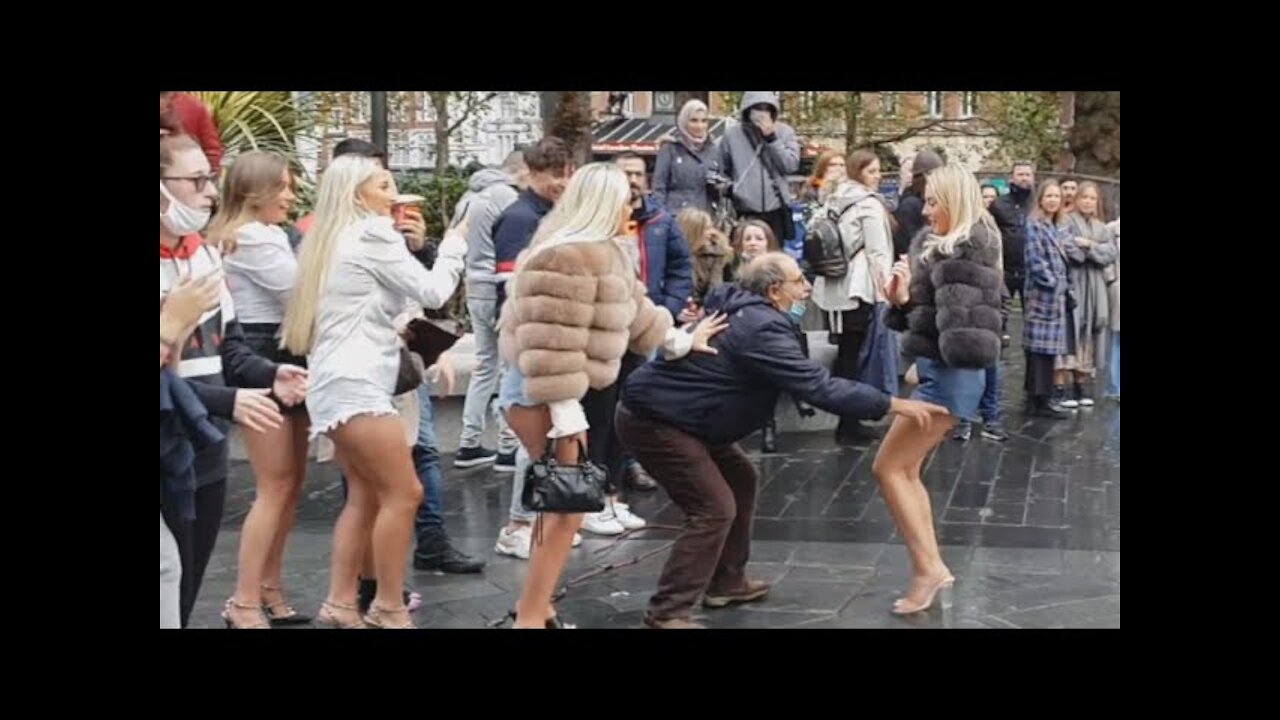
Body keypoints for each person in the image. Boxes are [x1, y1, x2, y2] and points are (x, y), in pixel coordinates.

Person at [619, 253, 946, 628]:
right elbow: (817, 386)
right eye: (798, 281)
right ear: (775, 291)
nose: (806, 287)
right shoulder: (760, 329)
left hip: (691, 417)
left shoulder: (746, 310)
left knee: (741, 479)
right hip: (659, 420)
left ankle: (727, 581)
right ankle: (668, 612)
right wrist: (891, 403)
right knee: (712, 507)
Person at [495, 163, 721, 628]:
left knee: (564, 506)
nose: (633, 206)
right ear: (601, 202)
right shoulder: (564, 255)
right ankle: (532, 617)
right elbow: (546, 346)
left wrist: (679, 340)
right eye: (625, 197)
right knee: (566, 507)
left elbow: (635, 312)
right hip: (547, 396)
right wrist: (565, 411)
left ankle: (537, 609)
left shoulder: (606, 251)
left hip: (567, 395)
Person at [280, 155, 468, 629]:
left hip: (338, 380)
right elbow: (431, 291)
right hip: (358, 383)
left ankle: (341, 603)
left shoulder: (330, 239)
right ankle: (387, 604)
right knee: (405, 493)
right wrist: (453, 247)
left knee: (364, 495)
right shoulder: (371, 234)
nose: (394, 191)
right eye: (384, 184)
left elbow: (379, 305)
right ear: (358, 193)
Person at [880, 164, 1003, 614]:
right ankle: (932, 566)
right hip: (943, 374)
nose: (927, 210)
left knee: (889, 468)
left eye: (934, 202)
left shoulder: (961, 254)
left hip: (948, 377)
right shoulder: (947, 249)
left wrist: (910, 301)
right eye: (926, 201)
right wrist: (903, 299)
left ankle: (927, 569)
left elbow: (960, 337)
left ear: (954, 201)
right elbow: (928, 322)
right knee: (904, 470)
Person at [652, 99, 723, 215]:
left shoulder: (714, 150)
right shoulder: (670, 148)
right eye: (694, 121)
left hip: (705, 217)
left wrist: (720, 186)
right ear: (684, 121)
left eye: (704, 121)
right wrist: (660, 217)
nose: (699, 126)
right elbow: (659, 187)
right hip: (676, 216)